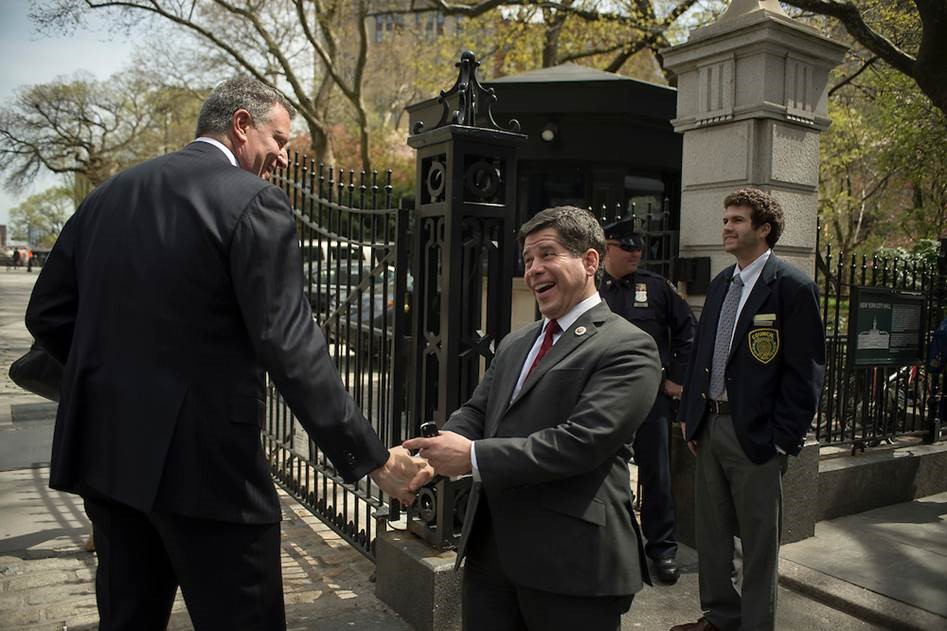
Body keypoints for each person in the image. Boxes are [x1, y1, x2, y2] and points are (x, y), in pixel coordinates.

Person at [25, 77, 431, 631]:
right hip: (209, 471)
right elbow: (290, 346)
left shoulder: (107, 196)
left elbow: (47, 314)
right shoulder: (253, 200)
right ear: (241, 125)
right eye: (279, 140)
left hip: (108, 457)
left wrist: (112, 382)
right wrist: (374, 460)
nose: (284, 158)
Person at [404, 206, 662, 631]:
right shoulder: (517, 341)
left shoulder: (628, 346)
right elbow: (479, 410)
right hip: (491, 557)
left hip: (572, 565)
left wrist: (472, 456)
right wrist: (429, 455)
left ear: (590, 261)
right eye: (527, 260)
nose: (534, 269)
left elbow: (581, 443)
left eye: (547, 254)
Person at [671, 189, 825, 631]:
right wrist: (691, 415)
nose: (727, 227)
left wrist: (782, 439)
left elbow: (806, 372)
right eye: (726, 219)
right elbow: (702, 353)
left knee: (758, 544)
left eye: (737, 220)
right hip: (710, 427)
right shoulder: (723, 283)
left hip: (756, 436)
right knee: (712, 535)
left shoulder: (792, 287)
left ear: (764, 229)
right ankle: (721, 617)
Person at [599, 216, 694, 584]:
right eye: (627, 247)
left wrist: (677, 378)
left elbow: (687, 332)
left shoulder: (656, 288)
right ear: (606, 248)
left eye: (638, 246)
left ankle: (662, 549)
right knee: (606, 473)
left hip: (651, 398)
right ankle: (615, 545)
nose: (635, 253)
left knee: (657, 474)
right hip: (605, 399)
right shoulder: (592, 289)